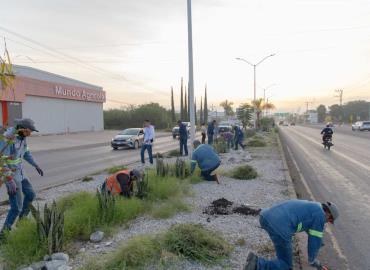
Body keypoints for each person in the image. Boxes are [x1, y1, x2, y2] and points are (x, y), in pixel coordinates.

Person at [244, 200, 339, 270]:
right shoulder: (320, 216)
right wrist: (314, 262)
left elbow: (309, 228)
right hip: (279, 226)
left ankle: (267, 262)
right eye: (330, 220)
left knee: (283, 254)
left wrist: (319, 242)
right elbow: (314, 241)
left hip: (266, 216)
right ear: (328, 213)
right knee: (286, 265)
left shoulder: (314, 206)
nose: (327, 222)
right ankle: (257, 264)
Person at [0, 118, 44, 238]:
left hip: (21, 173)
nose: (30, 134)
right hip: (11, 176)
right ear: (21, 129)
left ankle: (22, 221)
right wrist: (9, 180)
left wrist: (35, 165)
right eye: (29, 131)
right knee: (16, 207)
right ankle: (3, 236)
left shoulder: (22, 139)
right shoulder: (8, 139)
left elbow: (26, 153)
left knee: (30, 195)